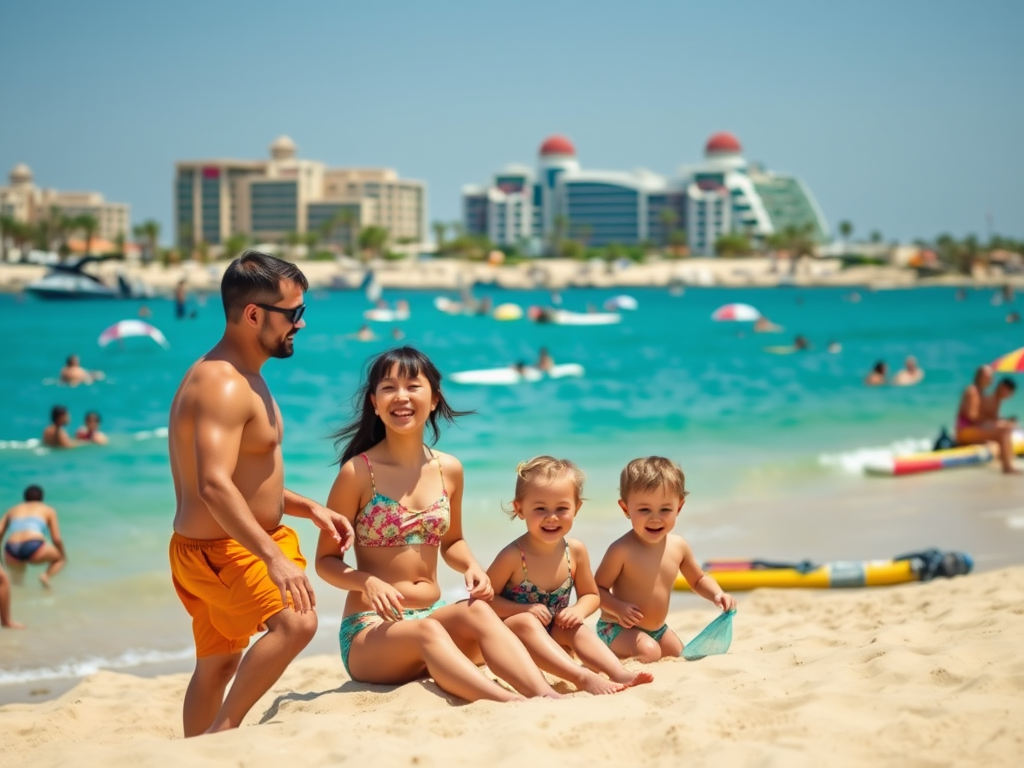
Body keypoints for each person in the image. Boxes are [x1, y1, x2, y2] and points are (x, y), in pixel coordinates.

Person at [167, 250, 355, 737]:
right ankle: (219, 739)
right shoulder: (223, 384)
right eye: (294, 313)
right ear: (254, 314)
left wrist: (307, 507)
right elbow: (212, 484)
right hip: (225, 550)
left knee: (219, 662)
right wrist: (272, 556)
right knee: (297, 623)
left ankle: (193, 751)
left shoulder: (239, 376)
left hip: (216, 545)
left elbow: (247, 479)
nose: (301, 324)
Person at [315, 346, 562, 703]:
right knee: (427, 631)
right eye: (388, 388)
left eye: (413, 386)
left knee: (477, 610)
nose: (401, 396)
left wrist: (472, 566)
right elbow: (325, 562)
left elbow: (452, 542)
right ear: (374, 401)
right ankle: (509, 704)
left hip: (432, 616)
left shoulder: (450, 469)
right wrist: (366, 582)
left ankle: (544, 696)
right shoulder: (357, 473)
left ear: (433, 399)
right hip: (371, 631)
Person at [485, 456, 653, 694]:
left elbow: (591, 595)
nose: (551, 517)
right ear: (519, 509)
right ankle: (581, 676)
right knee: (525, 621)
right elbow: (484, 601)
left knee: (573, 626)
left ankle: (619, 672)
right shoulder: (513, 556)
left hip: (554, 640)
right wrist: (522, 610)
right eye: (540, 508)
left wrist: (578, 610)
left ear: (577, 508)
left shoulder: (574, 552)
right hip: (514, 644)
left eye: (561, 508)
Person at [595, 457, 736, 662]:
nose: (655, 518)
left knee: (680, 655)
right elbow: (595, 590)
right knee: (650, 652)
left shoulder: (678, 546)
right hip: (617, 627)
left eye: (665, 509)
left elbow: (697, 580)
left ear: (678, 507)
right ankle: (610, 655)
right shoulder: (621, 550)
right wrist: (618, 608)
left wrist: (717, 594)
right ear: (626, 509)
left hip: (658, 629)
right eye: (644, 510)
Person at [956, 365, 1020, 475]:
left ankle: (1006, 460)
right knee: (1002, 431)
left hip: (970, 430)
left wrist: (996, 422)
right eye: (989, 377)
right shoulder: (972, 391)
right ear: (980, 377)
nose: (992, 380)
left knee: (1004, 428)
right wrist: (994, 423)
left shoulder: (980, 393)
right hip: (964, 432)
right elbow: (972, 416)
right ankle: (1007, 467)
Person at [1, 485, 67, 589]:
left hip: (11, 548)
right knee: (60, 559)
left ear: (25, 498)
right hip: (34, 545)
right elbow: (57, 538)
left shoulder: (12, 510)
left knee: (17, 584)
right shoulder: (48, 509)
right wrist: (62, 554)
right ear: (42, 498)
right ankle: (45, 576)